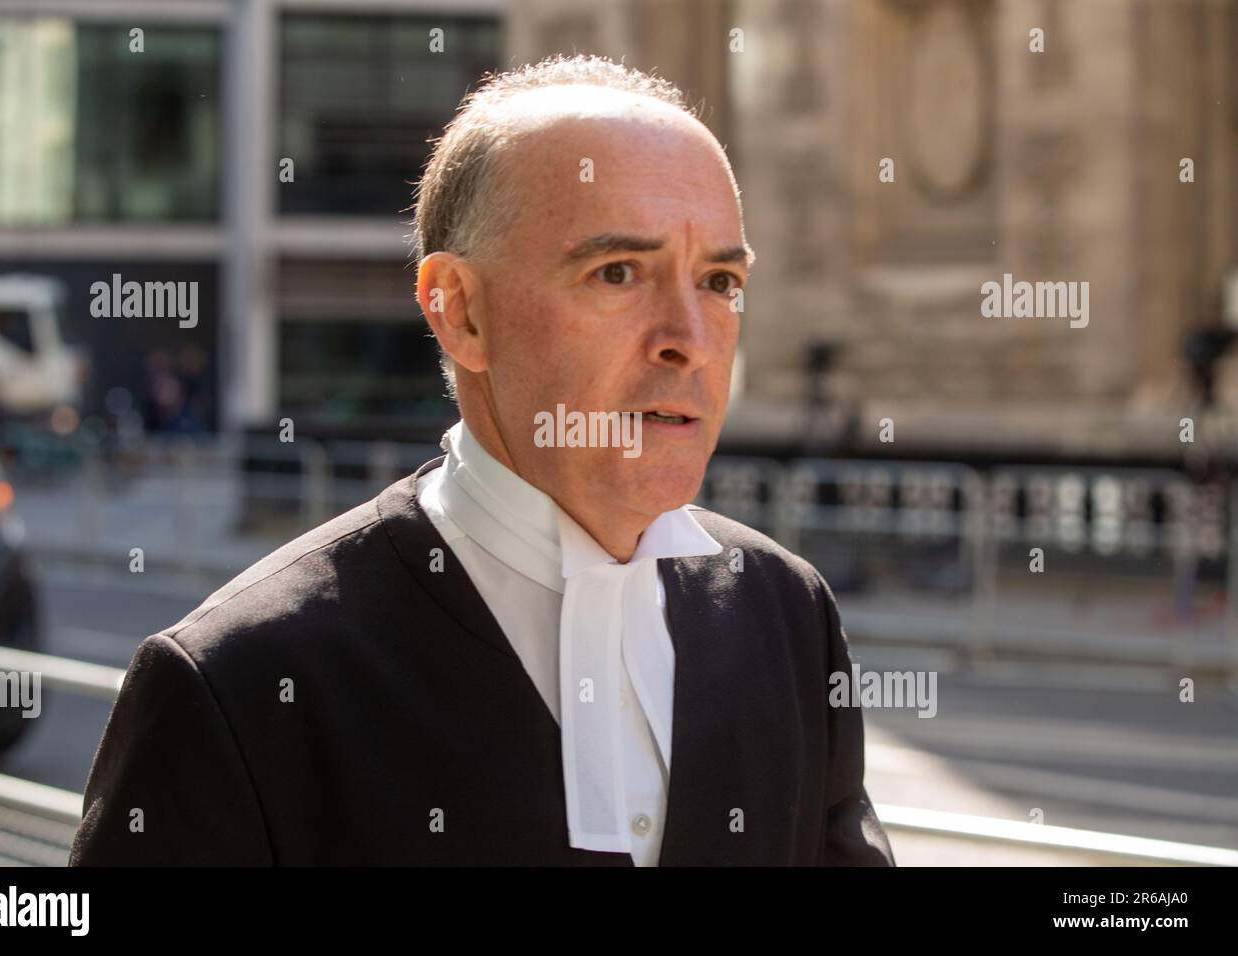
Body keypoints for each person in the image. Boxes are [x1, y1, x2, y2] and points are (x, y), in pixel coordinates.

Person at [69, 54, 894, 866]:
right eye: (618, 272)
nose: (689, 339)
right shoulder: (234, 683)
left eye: (718, 281)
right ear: (459, 312)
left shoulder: (789, 616)